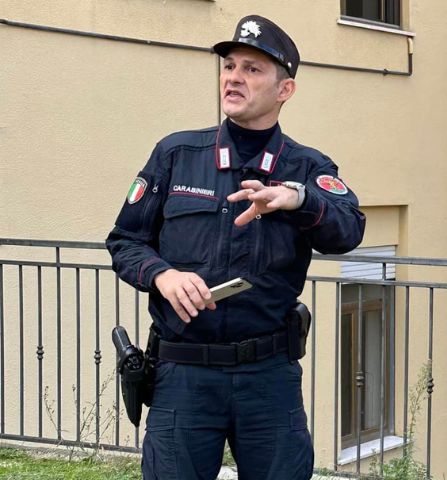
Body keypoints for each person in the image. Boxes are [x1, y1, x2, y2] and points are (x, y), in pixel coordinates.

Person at [106, 15, 365, 480]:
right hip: (182, 375)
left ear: (284, 90)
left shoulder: (307, 166)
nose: (233, 78)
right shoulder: (176, 154)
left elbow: (348, 231)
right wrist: (162, 275)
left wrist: (299, 200)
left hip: (267, 377)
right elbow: (125, 241)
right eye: (229, 66)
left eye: (252, 69)